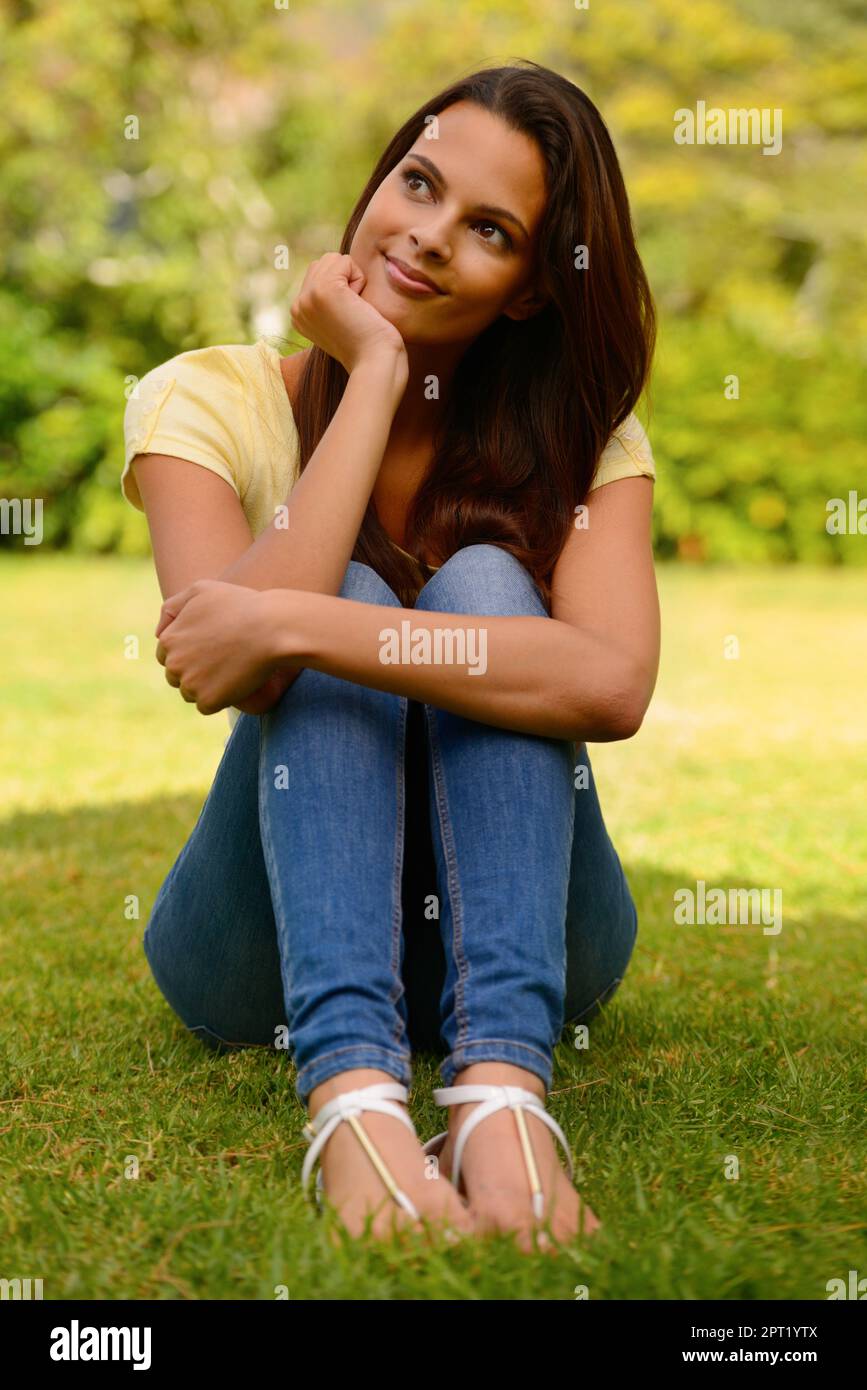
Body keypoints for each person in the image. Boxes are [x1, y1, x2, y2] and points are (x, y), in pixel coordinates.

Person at [121, 60, 660, 1254]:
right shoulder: (203, 401)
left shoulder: (583, 436)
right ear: (380, 179)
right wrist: (371, 373)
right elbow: (234, 666)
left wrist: (308, 625)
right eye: (417, 184)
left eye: (488, 230)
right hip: (257, 953)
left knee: (477, 582)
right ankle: (353, 1099)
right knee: (349, 578)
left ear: (529, 288)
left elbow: (613, 684)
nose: (424, 236)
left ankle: (501, 1097)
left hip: (536, 936)